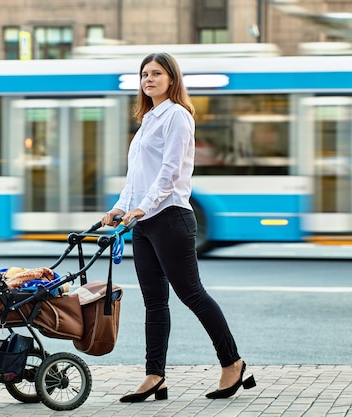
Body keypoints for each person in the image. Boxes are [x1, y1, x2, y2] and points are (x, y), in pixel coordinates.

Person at [101, 52, 256, 402]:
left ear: (172, 79)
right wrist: (121, 208)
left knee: (192, 294)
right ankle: (155, 375)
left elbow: (170, 172)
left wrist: (143, 207)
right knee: (154, 302)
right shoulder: (148, 120)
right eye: (144, 74)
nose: (149, 79)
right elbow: (137, 177)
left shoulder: (178, 116)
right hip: (143, 222)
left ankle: (232, 362)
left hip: (170, 218)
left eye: (156, 73)